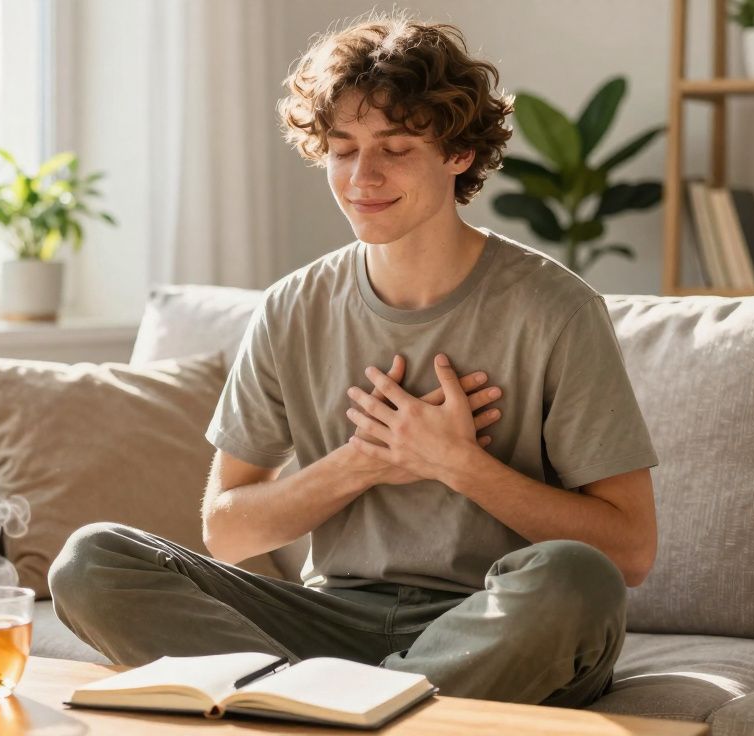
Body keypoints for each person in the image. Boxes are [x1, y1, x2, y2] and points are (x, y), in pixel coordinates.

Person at [49, 12, 659, 708]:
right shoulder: (291, 308)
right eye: (343, 149)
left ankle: (320, 709)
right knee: (93, 560)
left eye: (395, 148)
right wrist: (363, 460)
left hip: (494, 620)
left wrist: (457, 463)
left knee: (575, 579)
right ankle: (360, 708)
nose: (361, 176)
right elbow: (227, 529)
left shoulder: (556, 309)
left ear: (458, 154)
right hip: (332, 620)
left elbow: (630, 550)